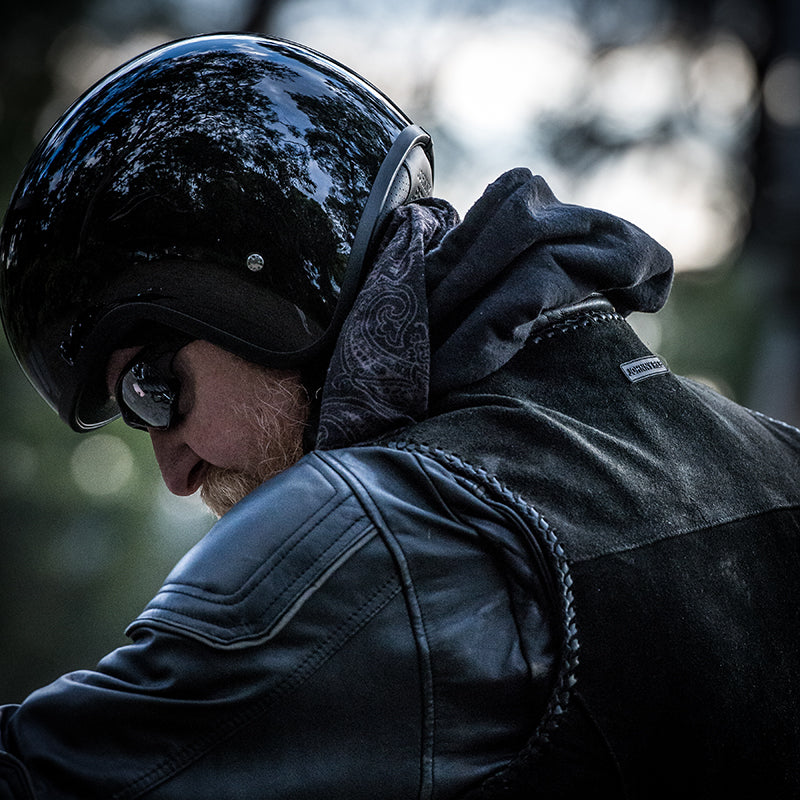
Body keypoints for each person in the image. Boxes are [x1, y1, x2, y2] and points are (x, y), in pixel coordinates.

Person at [0, 31, 799, 800]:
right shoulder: (777, 458)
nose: (175, 472)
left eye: (152, 391)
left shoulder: (377, 535)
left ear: (264, 298)